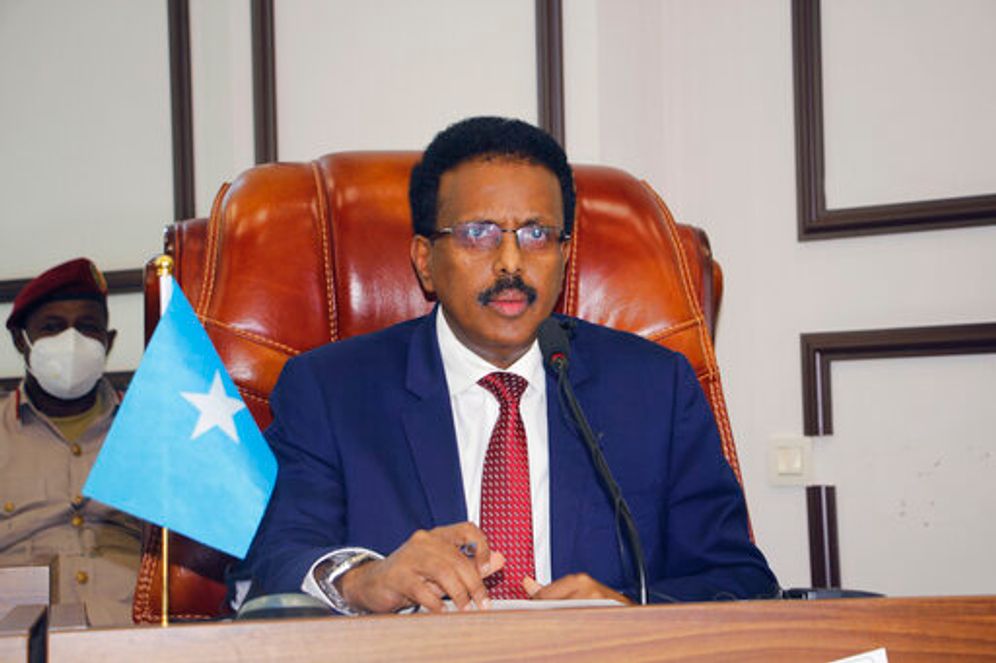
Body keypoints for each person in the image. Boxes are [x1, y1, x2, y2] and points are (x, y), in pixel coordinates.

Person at [244, 117, 777, 614]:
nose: (510, 262)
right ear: (425, 261)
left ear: (564, 257)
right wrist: (364, 581)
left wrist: (626, 610)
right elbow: (269, 563)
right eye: (477, 233)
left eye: (537, 234)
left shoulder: (654, 388)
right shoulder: (332, 390)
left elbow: (740, 578)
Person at [1, 258, 141, 626]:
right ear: (21, 340)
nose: (72, 341)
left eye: (87, 327)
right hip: (17, 636)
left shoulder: (150, 431)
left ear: (108, 341)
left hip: (133, 635)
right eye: (52, 328)